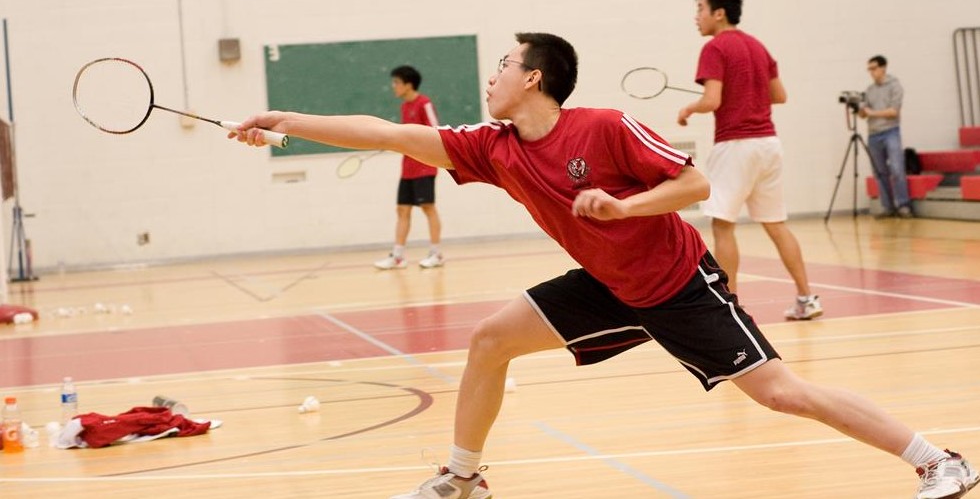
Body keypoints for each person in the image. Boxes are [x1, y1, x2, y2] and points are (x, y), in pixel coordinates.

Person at [231, 32, 977, 499]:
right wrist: (288, 123)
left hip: (678, 284)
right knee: (491, 339)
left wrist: (623, 208)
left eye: (502, 65)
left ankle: (936, 461)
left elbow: (693, 184)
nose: (490, 77)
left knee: (780, 393)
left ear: (535, 78)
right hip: (608, 285)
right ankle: (463, 477)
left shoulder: (605, 127)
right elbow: (387, 134)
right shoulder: (492, 146)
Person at [677, 0, 822, 321]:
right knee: (776, 225)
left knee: (723, 225)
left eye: (700, 8)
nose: (695, 16)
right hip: (769, 145)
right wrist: (748, 90)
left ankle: (728, 306)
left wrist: (690, 108)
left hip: (736, 145)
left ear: (719, 13)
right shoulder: (758, 46)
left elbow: (712, 100)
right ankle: (806, 298)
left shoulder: (715, 48)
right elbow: (779, 95)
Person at [373, 65, 445, 270]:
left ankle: (436, 253)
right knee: (402, 210)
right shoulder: (404, 107)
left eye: (396, 82)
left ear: (408, 84)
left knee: (428, 208)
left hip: (425, 166)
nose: (393, 86)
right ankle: (398, 256)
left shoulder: (425, 104)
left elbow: (436, 132)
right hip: (408, 167)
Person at [860, 54, 912, 219]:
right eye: (869, 69)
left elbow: (893, 112)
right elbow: (864, 114)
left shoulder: (895, 86)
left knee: (897, 169)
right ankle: (887, 206)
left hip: (891, 131)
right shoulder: (869, 90)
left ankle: (903, 205)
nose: (871, 72)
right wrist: (860, 109)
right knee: (879, 172)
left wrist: (872, 113)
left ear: (883, 68)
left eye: (874, 68)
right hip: (873, 134)